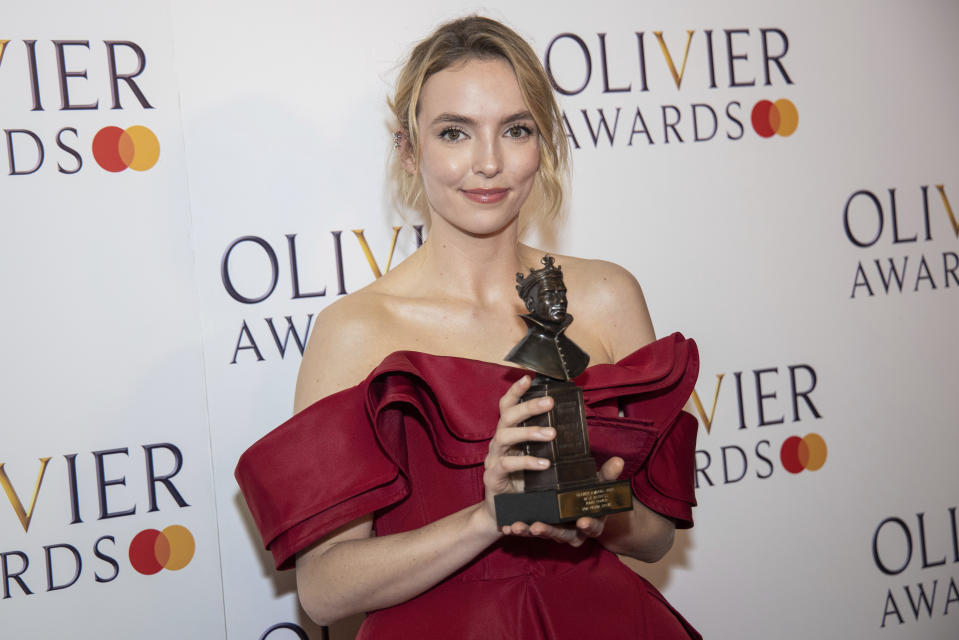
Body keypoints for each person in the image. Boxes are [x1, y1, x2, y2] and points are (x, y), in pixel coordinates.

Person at [236, 15, 701, 639]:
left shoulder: (606, 296)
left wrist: (592, 511)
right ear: (409, 149)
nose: (488, 163)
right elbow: (323, 591)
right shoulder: (357, 331)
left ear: (544, 143)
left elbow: (655, 534)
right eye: (455, 132)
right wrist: (488, 517)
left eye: (515, 130)